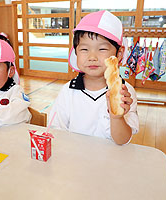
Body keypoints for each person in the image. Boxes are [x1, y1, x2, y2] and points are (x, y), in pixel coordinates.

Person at [49, 10, 139, 145]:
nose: (92, 57)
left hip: (110, 161)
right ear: (76, 52)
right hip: (74, 158)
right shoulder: (68, 91)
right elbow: (56, 130)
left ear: (119, 54)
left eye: (102, 49)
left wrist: (117, 118)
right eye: (84, 49)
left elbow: (122, 141)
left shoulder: (124, 92)